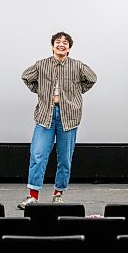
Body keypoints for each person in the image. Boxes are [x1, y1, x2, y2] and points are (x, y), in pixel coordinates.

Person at [17, 31, 97, 210]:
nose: (61, 44)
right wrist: (41, 92)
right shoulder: (41, 65)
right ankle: (33, 196)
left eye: (65, 42)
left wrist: (76, 94)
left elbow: (92, 79)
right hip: (45, 115)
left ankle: (58, 193)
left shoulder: (77, 65)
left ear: (69, 47)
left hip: (68, 117)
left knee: (65, 158)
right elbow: (26, 77)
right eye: (58, 42)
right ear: (52, 45)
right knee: (38, 155)